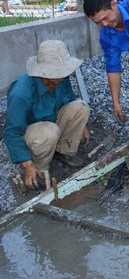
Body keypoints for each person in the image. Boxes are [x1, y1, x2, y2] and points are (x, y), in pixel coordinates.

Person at [3, 40, 90, 190]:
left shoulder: (61, 79)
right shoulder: (21, 93)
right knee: (49, 131)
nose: (63, 74)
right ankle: (40, 168)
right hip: (33, 134)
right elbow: (11, 132)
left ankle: (63, 150)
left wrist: (82, 125)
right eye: (58, 71)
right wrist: (27, 164)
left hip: (50, 123)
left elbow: (69, 99)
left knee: (81, 107)